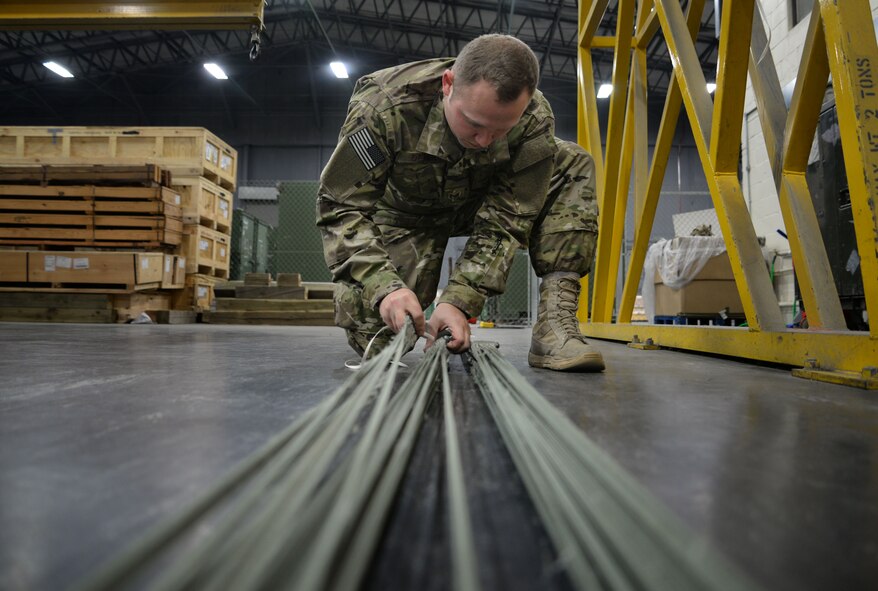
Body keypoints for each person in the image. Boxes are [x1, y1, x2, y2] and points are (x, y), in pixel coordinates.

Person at [316, 34, 605, 371]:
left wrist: (459, 301)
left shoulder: (533, 119)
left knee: (571, 162)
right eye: (475, 124)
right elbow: (340, 206)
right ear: (448, 84)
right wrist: (385, 287)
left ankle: (555, 326)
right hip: (405, 215)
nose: (484, 141)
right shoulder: (383, 107)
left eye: (501, 130)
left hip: (478, 204)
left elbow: (507, 219)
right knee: (379, 338)